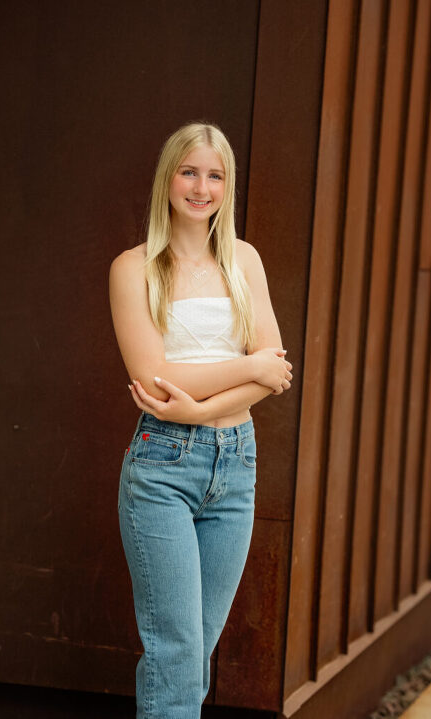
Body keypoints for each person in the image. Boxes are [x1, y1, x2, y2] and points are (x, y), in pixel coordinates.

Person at [108, 121, 293, 718]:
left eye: (215, 176)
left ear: (227, 186)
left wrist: (203, 408)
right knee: (177, 652)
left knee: (196, 652)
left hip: (235, 464)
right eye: (189, 172)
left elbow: (275, 372)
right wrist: (249, 367)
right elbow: (155, 376)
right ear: (168, 178)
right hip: (163, 465)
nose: (201, 187)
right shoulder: (134, 267)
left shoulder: (243, 260)